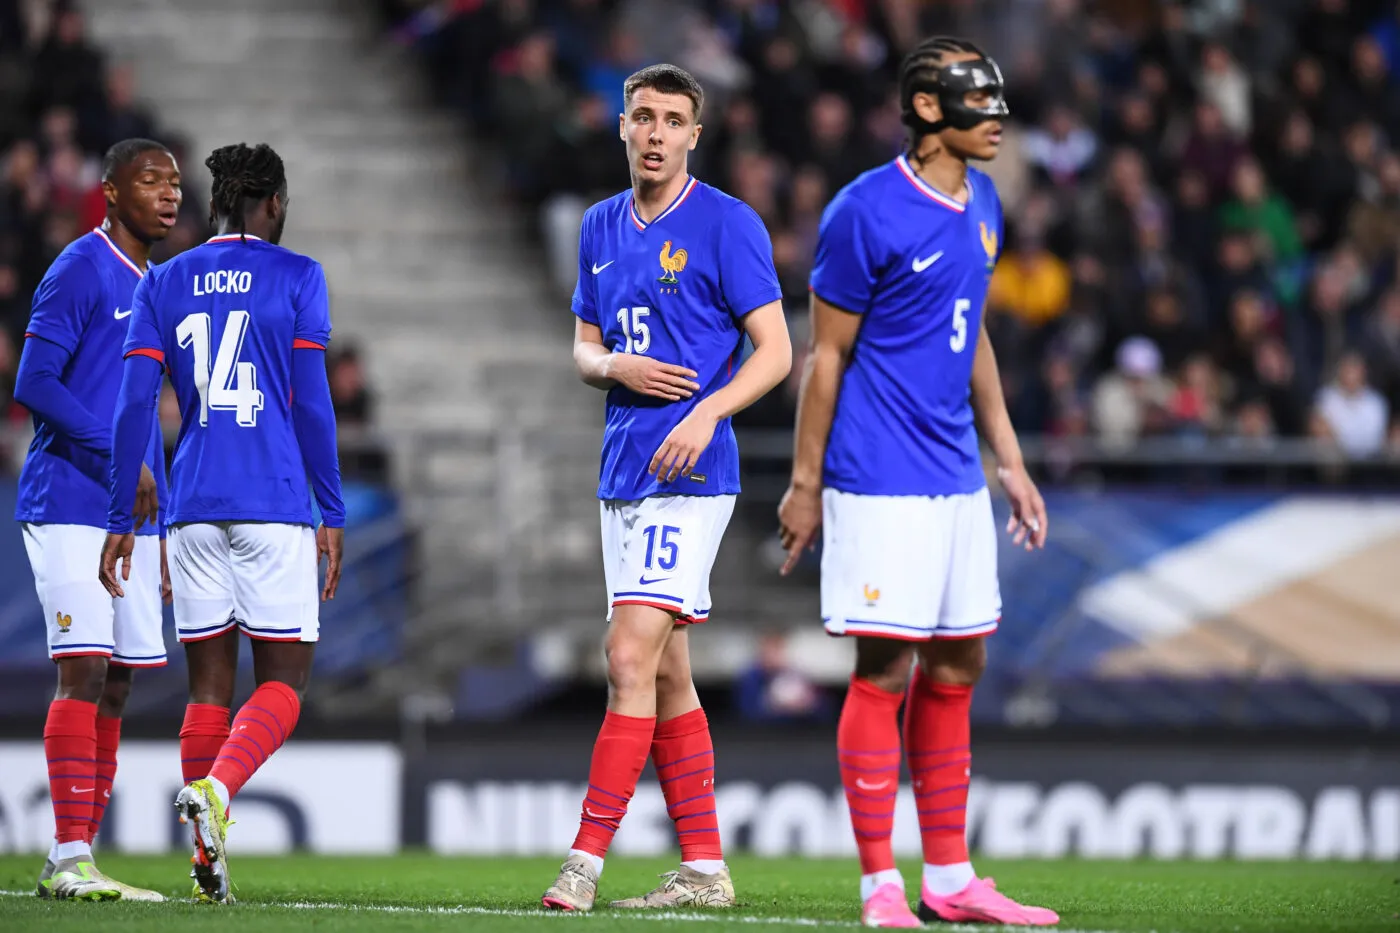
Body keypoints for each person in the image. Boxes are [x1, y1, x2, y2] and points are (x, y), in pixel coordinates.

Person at [777, 38, 1059, 928]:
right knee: (884, 664)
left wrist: (1007, 458)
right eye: (983, 103)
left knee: (961, 659)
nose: (1000, 120)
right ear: (930, 111)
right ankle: (879, 886)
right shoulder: (864, 210)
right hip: (876, 474)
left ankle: (949, 877)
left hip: (953, 475)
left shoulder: (984, 205)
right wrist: (804, 481)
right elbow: (827, 357)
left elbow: (969, 332)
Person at [541, 63, 791, 912]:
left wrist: (705, 414)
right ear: (621, 126)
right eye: (642, 116)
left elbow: (776, 350)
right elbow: (582, 349)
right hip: (621, 469)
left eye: (672, 120)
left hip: (692, 471)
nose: (655, 133)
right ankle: (706, 867)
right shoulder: (599, 226)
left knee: (624, 655)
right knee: (669, 672)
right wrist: (612, 364)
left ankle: (582, 860)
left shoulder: (728, 224)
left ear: (694, 134)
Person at [100, 142, 344, 904]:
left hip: (193, 508)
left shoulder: (164, 281)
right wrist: (329, 507)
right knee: (284, 682)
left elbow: (133, 406)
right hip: (272, 502)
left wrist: (123, 514)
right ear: (271, 203)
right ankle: (219, 792)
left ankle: (204, 863)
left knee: (207, 687)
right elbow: (310, 404)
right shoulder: (298, 276)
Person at [14, 138, 179, 902]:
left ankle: (77, 853)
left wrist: (167, 524)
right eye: (151, 181)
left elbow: (147, 414)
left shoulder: (161, 286)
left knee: (117, 682)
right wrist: (119, 457)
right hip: (72, 501)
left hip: (135, 514)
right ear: (111, 191)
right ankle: (69, 851)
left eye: (176, 184)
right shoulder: (81, 267)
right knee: (80, 669)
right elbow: (34, 383)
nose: (170, 195)